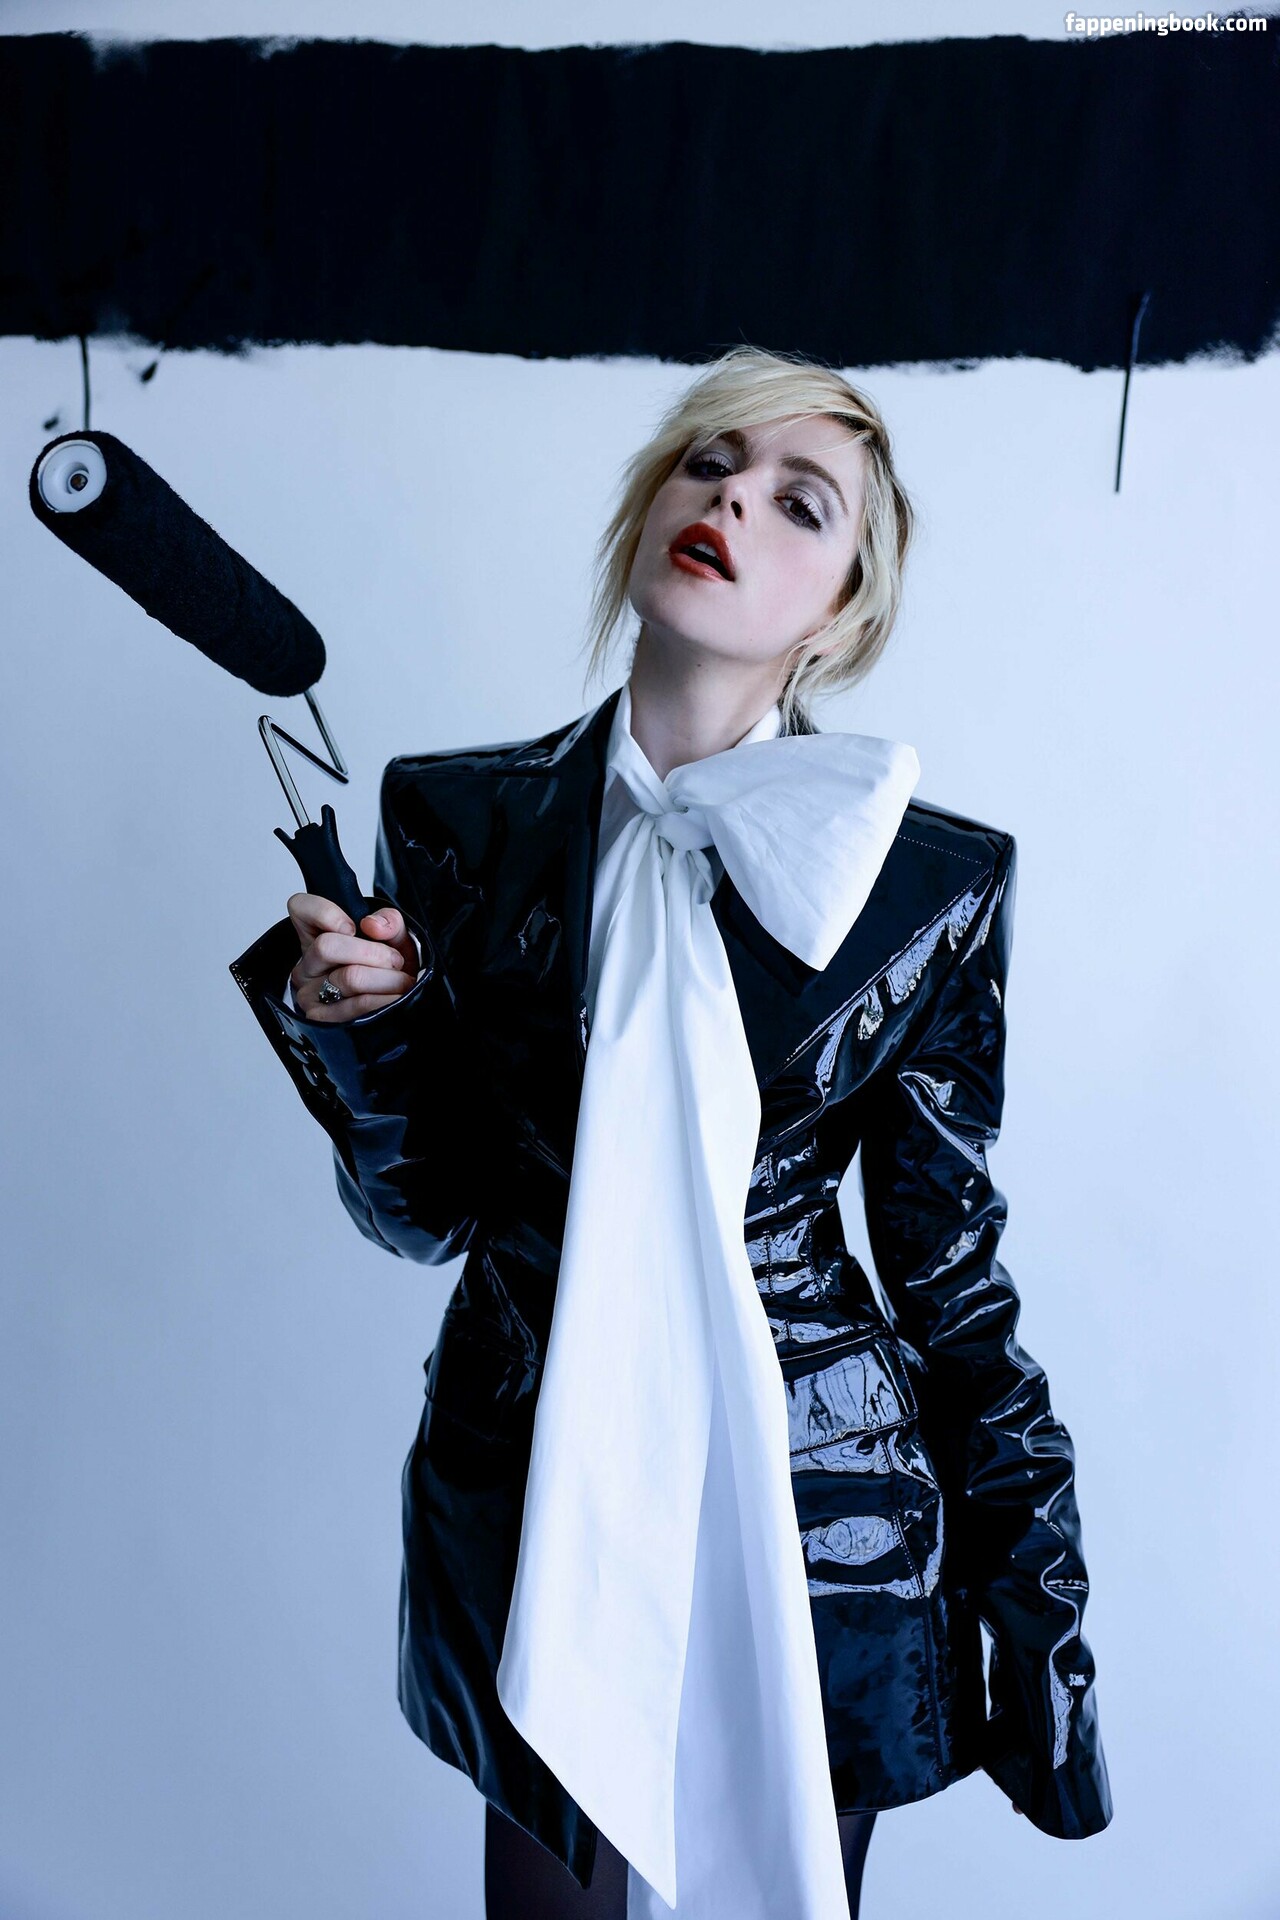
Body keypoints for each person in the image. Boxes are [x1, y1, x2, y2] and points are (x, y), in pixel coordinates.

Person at [229, 346, 1112, 1919]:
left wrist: (1041, 1602)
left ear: (842, 610)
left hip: (820, 1510)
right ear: (649, 504)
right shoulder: (454, 820)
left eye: (800, 501)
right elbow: (427, 1213)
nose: (734, 500)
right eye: (709, 463)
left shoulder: (929, 884)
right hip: (538, 1484)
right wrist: (367, 1031)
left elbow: (950, 1278)